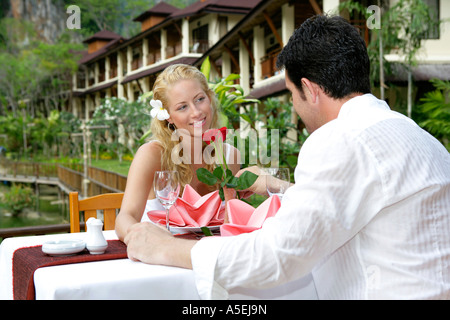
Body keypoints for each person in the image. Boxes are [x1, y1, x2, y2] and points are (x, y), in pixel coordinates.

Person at [123, 15, 450, 299]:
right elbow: (343, 204)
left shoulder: (339, 140)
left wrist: (166, 248)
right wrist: (279, 187)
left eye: (292, 94)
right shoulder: (421, 139)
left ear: (310, 90)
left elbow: (274, 257)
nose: (295, 106)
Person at [115, 64, 240, 241]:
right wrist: (140, 238)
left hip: (211, 256)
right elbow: (125, 217)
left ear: (210, 98)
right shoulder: (152, 155)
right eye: (182, 107)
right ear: (168, 117)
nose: (196, 112)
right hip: (161, 257)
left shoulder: (229, 156)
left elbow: (232, 221)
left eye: (200, 99)